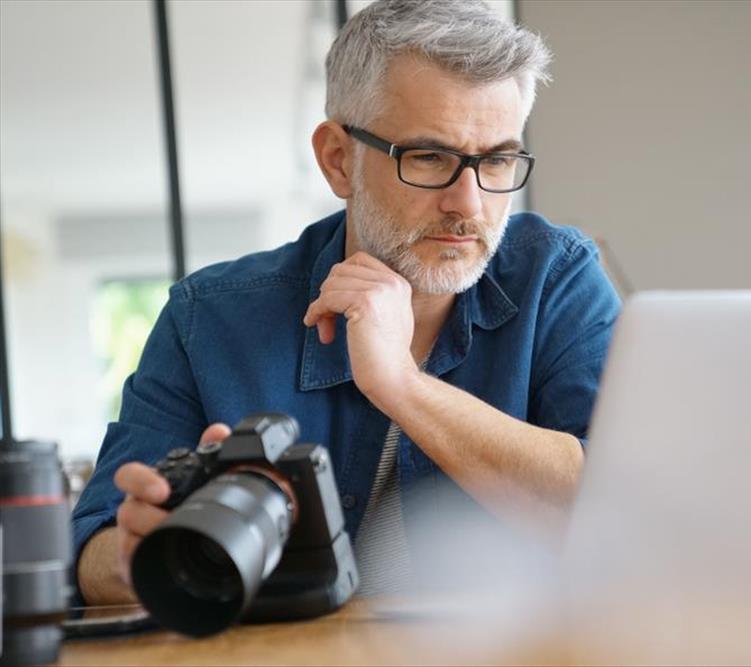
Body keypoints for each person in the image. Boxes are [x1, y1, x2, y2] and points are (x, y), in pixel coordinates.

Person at [73, 0, 621, 604]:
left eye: (496, 160)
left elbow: (619, 517)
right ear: (339, 160)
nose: (469, 204)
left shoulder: (556, 278)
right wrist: (136, 558)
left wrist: (402, 386)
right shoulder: (210, 318)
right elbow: (92, 549)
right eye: (430, 157)